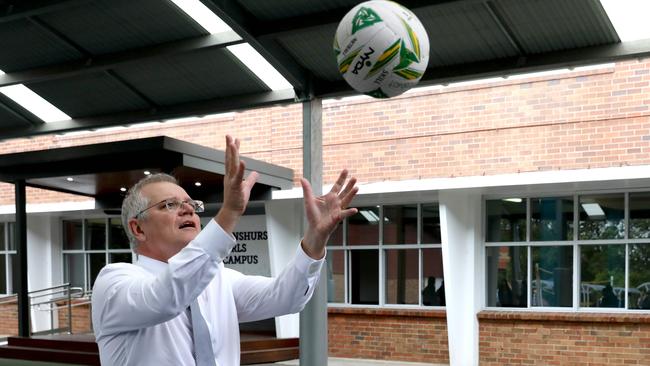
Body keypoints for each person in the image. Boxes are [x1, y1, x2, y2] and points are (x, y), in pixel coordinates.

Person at [91, 135, 359, 366]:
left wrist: (315, 238)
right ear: (138, 229)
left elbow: (286, 297)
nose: (187, 210)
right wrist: (229, 213)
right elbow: (165, 298)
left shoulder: (217, 279)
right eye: (169, 205)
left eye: (190, 204)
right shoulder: (114, 282)